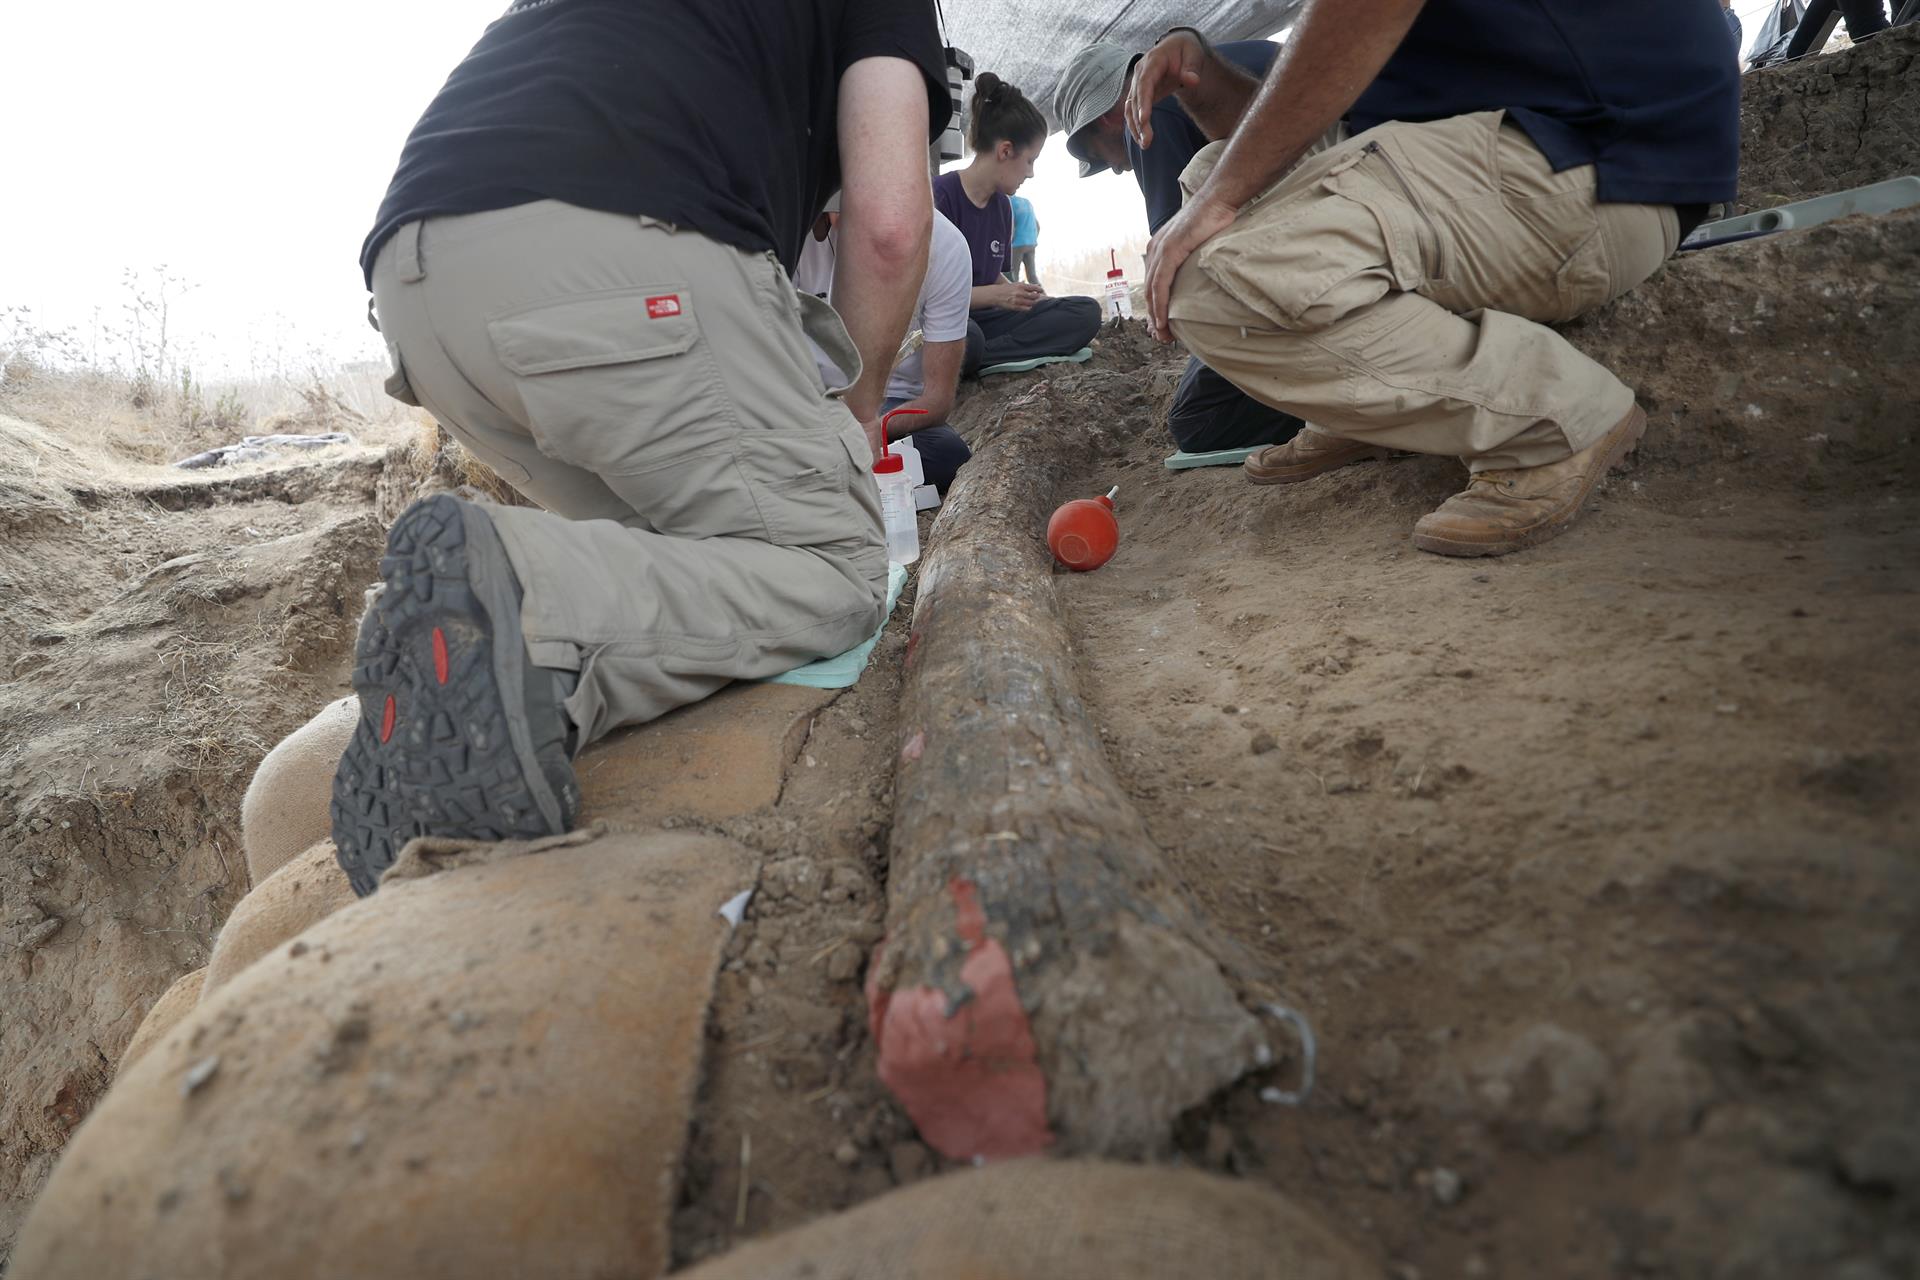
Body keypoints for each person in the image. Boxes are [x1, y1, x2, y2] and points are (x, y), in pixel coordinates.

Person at [333, 0, 950, 893]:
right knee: (832, 566)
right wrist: (852, 410)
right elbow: (891, 226)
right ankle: (524, 592)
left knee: (686, 559)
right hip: (609, 248)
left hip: (415, 293)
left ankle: (484, 681)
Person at [1136, 3, 1739, 558]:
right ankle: (1364, 412)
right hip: (1504, 140)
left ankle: (1553, 420)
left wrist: (1219, 202)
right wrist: (1203, 76)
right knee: (1215, 176)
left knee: (1216, 286)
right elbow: (1284, 134)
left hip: (1603, 160)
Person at [1055, 38, 1309, 457]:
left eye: (1101, 157)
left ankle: (1340, 406)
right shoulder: (1227, 61)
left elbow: (1174, 258)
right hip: (1358, 208)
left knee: (1195, 420)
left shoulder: (1149, 114)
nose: (1117, 169)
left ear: (1105, 118)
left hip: (1307, 268)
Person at [794, 204, 977, 492]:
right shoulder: (798, 234)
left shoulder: (945, 246)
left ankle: (819, 475)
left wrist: (870, 426)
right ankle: (832, 475)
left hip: (889, 407)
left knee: (946, 455)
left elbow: (938, 399)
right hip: (808, 403)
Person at [934, 74, 1101, 375]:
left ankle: (984, 357)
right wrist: (997, 296)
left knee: (1086, 312)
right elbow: (927, 295)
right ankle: (980, 354)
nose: (1032, 173)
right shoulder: (940, 197)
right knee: (967, 338)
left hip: (988, 319)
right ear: (1005, 151)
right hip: (949, 320)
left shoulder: (1003, 208)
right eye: (1030, 161)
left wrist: (1021, 295)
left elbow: (992, 275)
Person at [1009, 194, 1040, 285]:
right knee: (1032, 276)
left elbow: (1011, 224)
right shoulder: (1027, 202)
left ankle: (1016, 298)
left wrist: (1009, 243)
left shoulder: (1009, 202)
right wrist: (1032, 239)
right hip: (1031, 242)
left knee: (1013, 276)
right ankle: (1044, 297)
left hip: (1017, 243)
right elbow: (1037, 225)